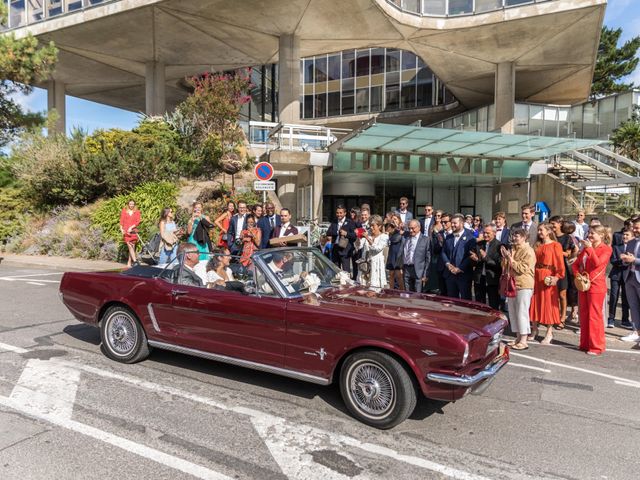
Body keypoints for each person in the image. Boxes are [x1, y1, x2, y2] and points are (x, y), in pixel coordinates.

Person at [572, 225, 612, 355]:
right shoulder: (586, 249)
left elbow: (597, 263)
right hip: (584, 284)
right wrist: (578, 274)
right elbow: (576, 264)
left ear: (601, 235)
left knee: (594, 316)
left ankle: (596, 346)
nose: (589, 235)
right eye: (589, 233)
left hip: (596, 286)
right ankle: (585, 343)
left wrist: (589, 249)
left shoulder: (606, 249)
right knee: (584, 315)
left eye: (592, 233)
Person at [529, 223, 565, 345]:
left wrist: (557, 277)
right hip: (536, 274)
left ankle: (549, 332)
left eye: (541, 230)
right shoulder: (537, 245)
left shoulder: (556, 245)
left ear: (549, 231)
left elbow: (560, 263)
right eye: (538, 230)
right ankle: (534, 329)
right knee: (534, 302)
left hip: (548, 276)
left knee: (548, 303)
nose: (539, 232)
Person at [500, 228, 536, 350]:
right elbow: (505, 267)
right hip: (512, 284)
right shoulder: (513, 249)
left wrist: (510, 259)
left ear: (524, 237)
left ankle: (524, 339)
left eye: (517, 236)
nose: (515, 238)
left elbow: (522, 269)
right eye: (514, 236)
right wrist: (505, 257)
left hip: (524, 284)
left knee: (522, 312)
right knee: (513, 311)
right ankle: (517, 337)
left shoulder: (529, 251)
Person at [549, 216, 577, 330]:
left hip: (563, 268)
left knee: (562, 294)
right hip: (550, 268)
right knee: (552, 295)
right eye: (550, 224)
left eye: (553, 224)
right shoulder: (550, 236)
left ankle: (562, 318)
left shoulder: (567, 238)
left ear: (560, 224)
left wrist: (556, 251)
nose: (551, 226)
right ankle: (553, 316)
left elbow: (568, 254)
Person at [441, 214, 476, 300]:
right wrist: (448, 264)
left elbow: (470, 255)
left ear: (462, 223)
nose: (452, 225)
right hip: (450, 275)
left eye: (454, 223)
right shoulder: (448, 237)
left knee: (465, 301)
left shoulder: (470, 238)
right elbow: (443, 252)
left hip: (463, 275)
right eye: (451, 223)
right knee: (452, 301)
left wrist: (459, 268)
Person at [470, 224, 502, 310]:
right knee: (479, 304)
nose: (485, 235)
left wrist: (485, 257)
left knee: (493, 305)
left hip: (492, 279)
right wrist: (474, 259)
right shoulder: (479, 244)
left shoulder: (499, 246)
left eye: (488, 233)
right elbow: (473, 261)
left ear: (494, 233)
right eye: (484, 232)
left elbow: (499, 265)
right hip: (479, 278)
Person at [620, 217, 640, 343]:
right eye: (634, 227)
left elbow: (635, 260)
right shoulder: (632, 242)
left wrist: (635, 260)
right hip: (629, 277)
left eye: (637, 227)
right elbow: (628, 258)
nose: (634, 230)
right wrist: (625, 258)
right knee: (633, 307)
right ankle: (637, 332)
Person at [608, 228, 633, 328]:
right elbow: (613, 260)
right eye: (624, 235)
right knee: (614, 296)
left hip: (628, 276)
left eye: (627, 235)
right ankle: (611, 319)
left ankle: (625, 319)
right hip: (616, 275)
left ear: (632, 237)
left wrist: (627, 260)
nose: (625, 236)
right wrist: (622, 260)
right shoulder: (616, 247)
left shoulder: (634, 248)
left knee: (626, 298)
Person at [401, 219, 431, 292]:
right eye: (409, 228)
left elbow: (428, 258)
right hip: (407, 269)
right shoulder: (406, 238)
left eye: (413, 228)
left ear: (419, 227)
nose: (411, 230)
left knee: (418, 295)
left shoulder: (425, 240)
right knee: (407, 294)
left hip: (418, 271)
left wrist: (426, 273)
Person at [360, 215, 389, 288]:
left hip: (376, 265)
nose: (371, 227)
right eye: (370, 225)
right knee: (363, 288)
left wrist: (367, 238)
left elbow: (377, 249)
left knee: (375, 288)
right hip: (365, 265)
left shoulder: (384, 237)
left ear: (379, 226)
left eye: (373, 226)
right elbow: (358, 246)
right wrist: (358, 237)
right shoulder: (368, 234)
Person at [326, 205, 357, 273]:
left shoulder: (350, 222)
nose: (339, 214)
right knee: (335, 271)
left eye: (340, 213)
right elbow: (328, 232)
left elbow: (354, 236)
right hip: (335, 249)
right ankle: (336, 283)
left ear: (345, 213)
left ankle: (347, 283)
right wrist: (337, 231)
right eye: (337, 213)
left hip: (345, 250)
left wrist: (346, 234)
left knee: (346, 271)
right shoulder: (334, 222)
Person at [433, 213, 452, 296]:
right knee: (442, 293)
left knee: (452, 293)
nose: (443, 224)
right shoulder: (439, 234)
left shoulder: (455, 234)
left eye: (446, 222)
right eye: (442, 222)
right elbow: (435, 250)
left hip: (452, 266)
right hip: (441, 266)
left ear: (451, 222)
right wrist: (439, 244)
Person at [119, 199, 141, 268]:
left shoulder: (137, 212)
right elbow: (121, 221)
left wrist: (131, 227)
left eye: (133, 204)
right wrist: (121, 229)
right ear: (128, 204)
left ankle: (129, 262)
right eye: (130, 204)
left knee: (132, 246)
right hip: (126, 231)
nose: (131, 205)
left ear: (134, 205)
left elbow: (138, 221)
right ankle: (135, 261)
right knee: (129, 245)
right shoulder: (124, 211)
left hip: (133, 230)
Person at [385, 222, 404, 290]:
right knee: (391, 274)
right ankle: (391, 290)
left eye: (389, 227)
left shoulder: (398, 232)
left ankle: (402, 291)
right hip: (391, 254)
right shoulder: (389, 234)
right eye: (387, 227)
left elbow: (396, 239)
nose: (388, 228)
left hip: (398, 255)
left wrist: (396, 228)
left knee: (398, 275)